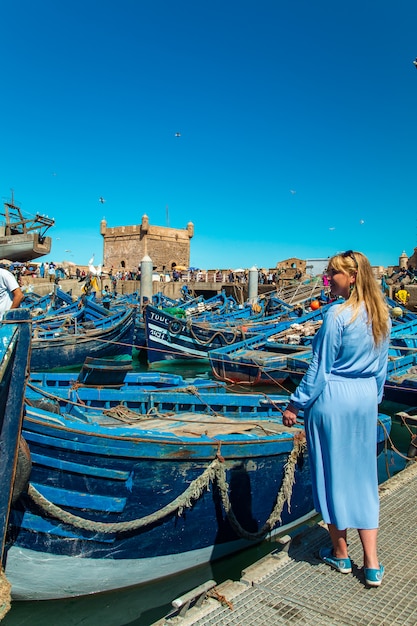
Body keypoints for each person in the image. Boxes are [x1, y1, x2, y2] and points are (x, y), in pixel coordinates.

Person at [282, 250, 390, 588]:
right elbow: (382, 371)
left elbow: (319, 370)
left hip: (334, 399)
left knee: (332, 477)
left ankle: (341, 555)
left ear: (353, 276)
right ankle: (372, 565)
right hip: (364, 401)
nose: (328, 279)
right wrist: (372, 401)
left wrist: (294, 405)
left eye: (333, 274)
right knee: (363, 478)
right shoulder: (381, 316)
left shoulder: (336, 316)